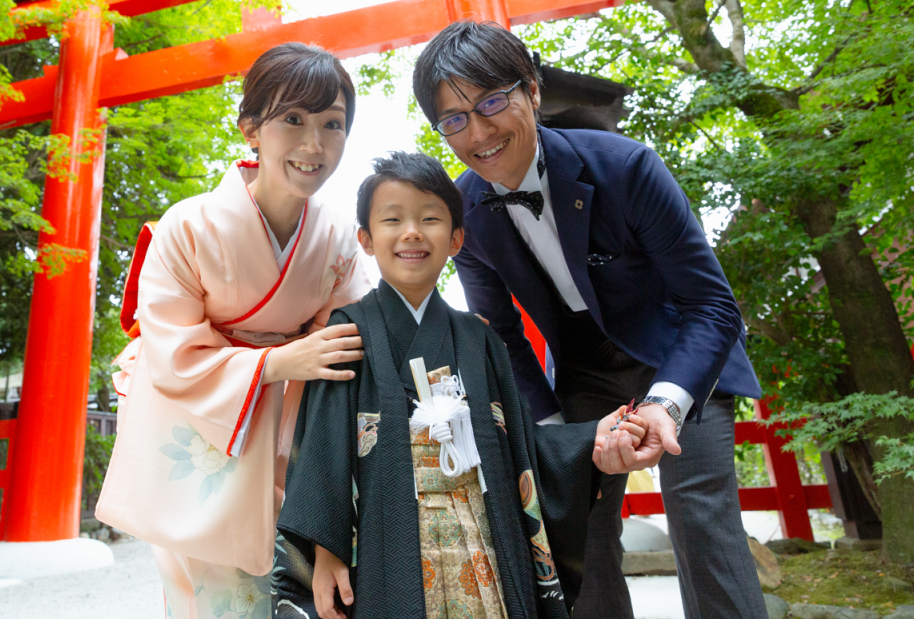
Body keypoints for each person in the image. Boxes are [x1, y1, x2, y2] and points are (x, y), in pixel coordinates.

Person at [410, 21, 766, 619]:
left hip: (680, 350)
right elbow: (499, 336)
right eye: (453, 119)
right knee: (576, 527)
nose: (478, 131)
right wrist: (550, 429)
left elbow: (713, 304)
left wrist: (666, 404)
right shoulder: (464, 211)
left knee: (700, 513)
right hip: (581, 373)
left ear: (532, 91)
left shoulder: (626, 168)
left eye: (492, 102)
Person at [274, 151, 649, 619]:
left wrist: (590, 436)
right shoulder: (348, 330)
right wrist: (326, 551)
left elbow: (518, 444)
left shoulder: (481, 339)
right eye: (393, 220)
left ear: (455, 239)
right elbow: (324, 448)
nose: (411, 231)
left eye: (429, 218)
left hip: (483, 537)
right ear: (366, 240)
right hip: (388, 539)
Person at [95, 43, 375, 619]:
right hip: (196, 418)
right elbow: (172, 353)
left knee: (300, 588)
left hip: (290, 422)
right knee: (214, 593)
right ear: (251, 127)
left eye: (332, 124)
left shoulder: (337, 238)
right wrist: (278, 362)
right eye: (292, 120)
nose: (313, 145)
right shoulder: (189, 225)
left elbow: (349, 344)